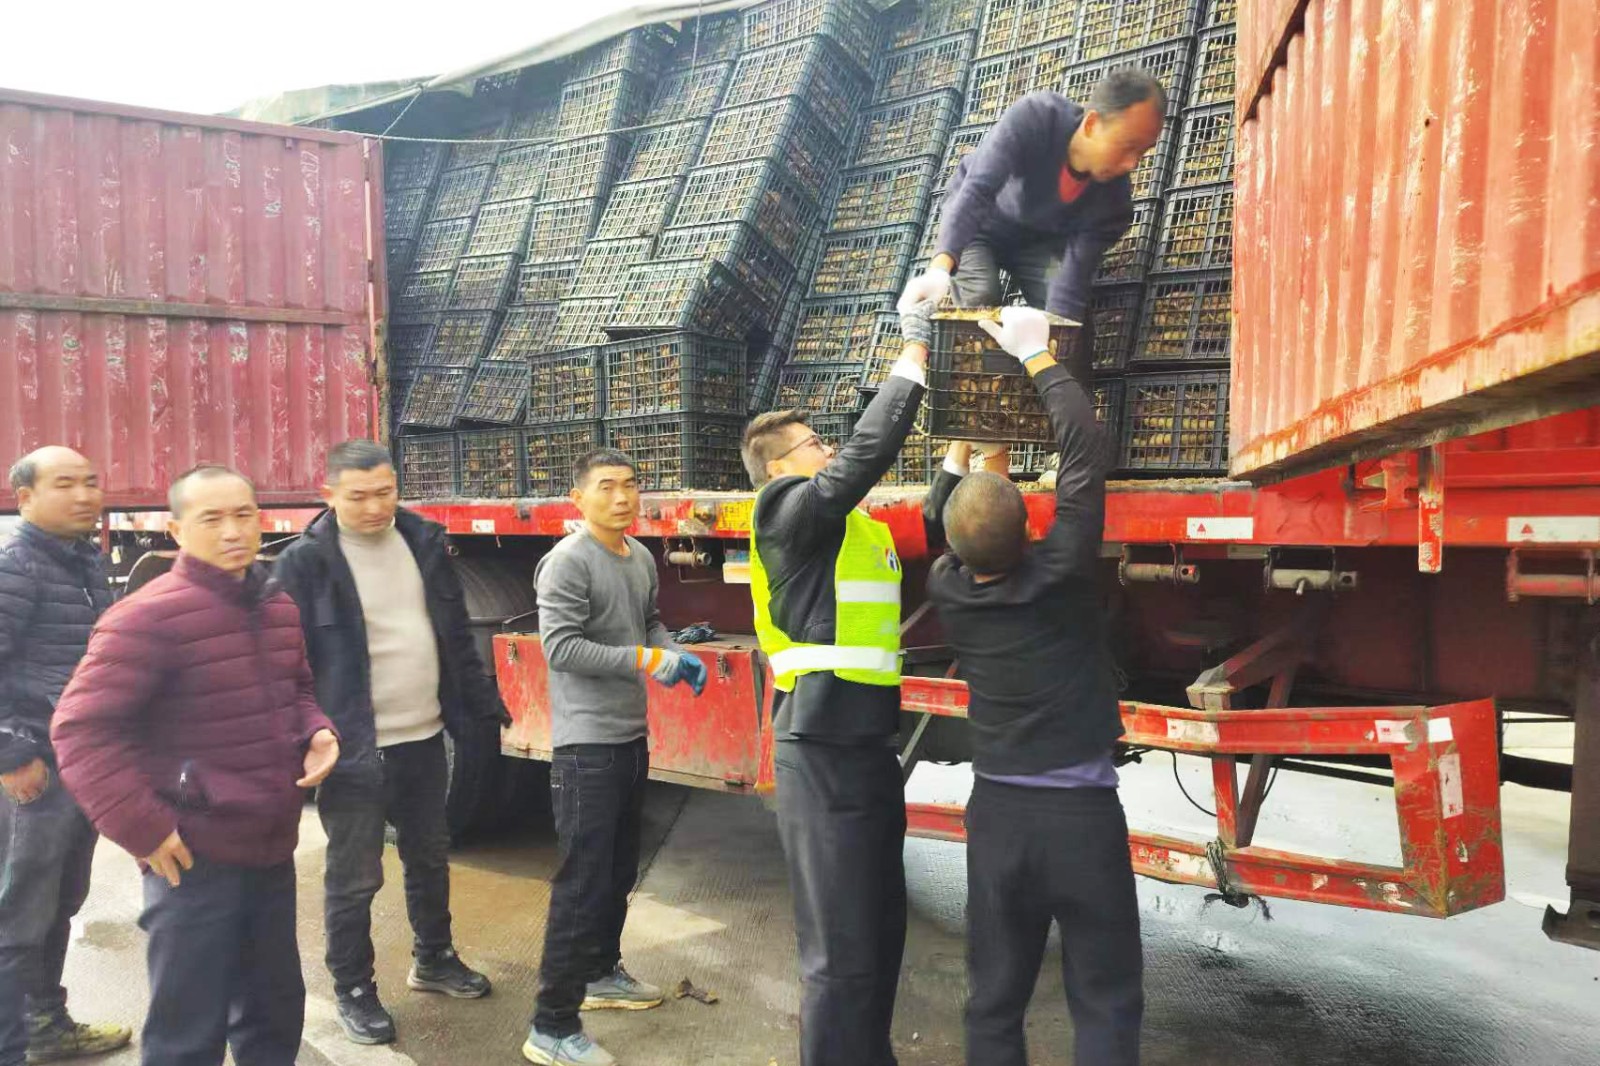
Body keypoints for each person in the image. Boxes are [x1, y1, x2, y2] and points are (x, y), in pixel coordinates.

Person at [51, 465, 341, 1066]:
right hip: (190, 855)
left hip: (269, 846)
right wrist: (144, 828)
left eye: (243, 515)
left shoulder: (276, 606)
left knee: (272, 1012)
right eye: (212, 519)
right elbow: (81, 731)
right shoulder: (145, 618)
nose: (233, 531)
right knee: (188, 1030)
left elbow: (296, 689)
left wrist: (315, 730)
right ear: (178, 531)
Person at [921, 307, 1142, 1066]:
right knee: (1105, 998)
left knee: (993, 1000)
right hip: (1083, 821)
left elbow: (943, 517)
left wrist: (969, 441)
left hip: (1000, 821)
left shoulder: (949, 588)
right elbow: (1086, 451)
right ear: (1030, 529)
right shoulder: (1064, 572)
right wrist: (1037, 357)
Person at [740, 295, 937, 1066]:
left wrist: (960, 456)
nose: (829, 450)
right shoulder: (783, 512)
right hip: (818, 747)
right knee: (838, 946)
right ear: (779, 466)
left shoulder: (855, 527)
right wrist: (912, 355)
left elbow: (934, 519)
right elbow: (863, 458)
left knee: (881, 926)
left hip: (868, 743)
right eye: (816, 443)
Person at [272, 440, 502, 1045]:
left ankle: (434, 958)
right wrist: (304, 735)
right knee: (355, 878)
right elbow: (283, 665)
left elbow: (454, 633)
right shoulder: (303, 564)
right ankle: (353, 987)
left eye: (385, 493)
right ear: (328, 495)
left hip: (423, 737)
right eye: (359, 497)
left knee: (429, 855)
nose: (375, 507)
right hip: (354, 749)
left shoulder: (422, 541)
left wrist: (480, 705)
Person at [522, 449, 709, 1066]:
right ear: (578, 499)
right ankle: (551, 1026)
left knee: (619, 872)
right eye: (606, 487)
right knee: (581, 884)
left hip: (629, 738)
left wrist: (671, 652)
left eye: (630, 485)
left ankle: (601, 972)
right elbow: (561, 648)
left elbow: (649, 621)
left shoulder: (640, 558)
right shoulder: (568, 562)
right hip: (586, 749)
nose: (622, 497)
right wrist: (645, 659)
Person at [902, 69, 1168, 381]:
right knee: (980, 299)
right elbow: (977, 191)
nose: (1131, 163)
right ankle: (982, 383)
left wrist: (1055, 354)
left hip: (1038, 244)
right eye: (1127, 146)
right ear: (1093, 124)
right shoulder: (1036, 119)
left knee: (1071, 326)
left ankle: (1057, 397)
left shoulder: (1114, 204)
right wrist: (940, 267)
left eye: (1142, 152)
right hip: (981, 227)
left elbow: (1069, 282)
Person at [0, 447, 130, 1066]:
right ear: (25, 498)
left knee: (60, 902)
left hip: (78, 760)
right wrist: (11, 754)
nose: (84, 495)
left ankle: (46, 1026)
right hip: (37, 765)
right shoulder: (16, 569)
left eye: (90, 482)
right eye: (64, 484)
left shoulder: (81, 561)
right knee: (19, 916)